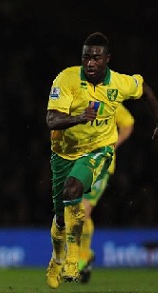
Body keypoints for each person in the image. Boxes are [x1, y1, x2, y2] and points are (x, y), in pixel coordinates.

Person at [45, 31, 158, 289]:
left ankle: (76, 258)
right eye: (86, 57)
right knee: (61, 217)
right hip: (63, 154)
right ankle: (57, 258)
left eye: (96, 58)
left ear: (108, 59)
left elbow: (145, 91)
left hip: (99, 151)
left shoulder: (118, 84)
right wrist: (79, 118)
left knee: (75, 193)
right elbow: (51, 120)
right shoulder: (67, 79)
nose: (90, 63)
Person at [78, 103, 134, 283]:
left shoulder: (110, 102)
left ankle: (82, 257)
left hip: (101, 166)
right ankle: (84, 255)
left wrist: (113, 145)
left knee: (83, 209)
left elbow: (128, 123)